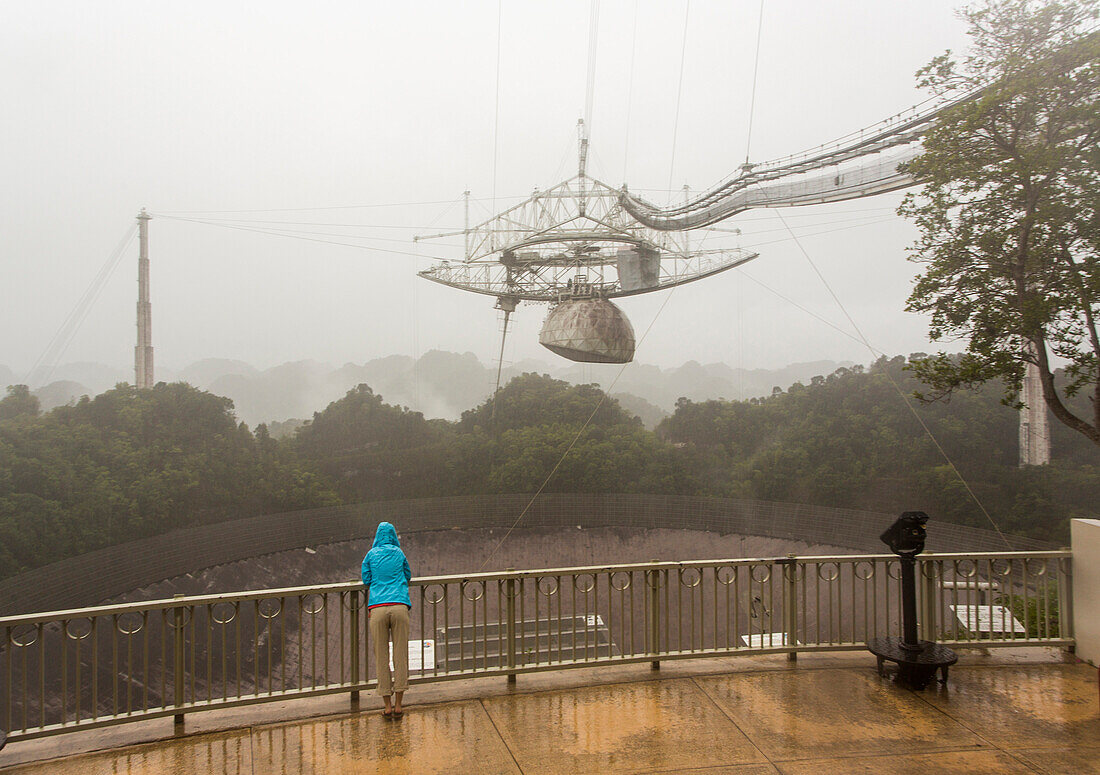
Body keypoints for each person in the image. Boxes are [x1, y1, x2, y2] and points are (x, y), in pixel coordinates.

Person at [361, 521, 412, 719]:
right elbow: (408, 574)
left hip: (378, 608)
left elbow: (366, 579)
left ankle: (387, 706)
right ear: (393, 536)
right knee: (400, 654)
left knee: (381, 656)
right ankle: (399, 704)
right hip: (399, 605)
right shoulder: (399, 554)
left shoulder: (371, 555)